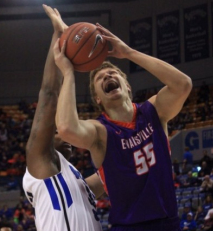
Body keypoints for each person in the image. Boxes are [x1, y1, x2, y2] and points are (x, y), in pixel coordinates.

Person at [53, 22, 192, 230]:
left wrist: (128, 52)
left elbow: (183, 84)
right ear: (97, 99)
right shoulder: (100, 132)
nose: (107, 76)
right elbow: (65, 128)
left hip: (168, 222)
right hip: (128, 226)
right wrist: (68, 73)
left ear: (127, 86)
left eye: (112, 73)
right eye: (100, 78)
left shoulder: (153, 111)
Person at [22, 5, 103, 231]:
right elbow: (49, 93)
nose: (63, 135)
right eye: (56, 131)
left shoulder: (74, 180)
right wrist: (59, 37)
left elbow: (109, 175)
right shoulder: (40, 161)